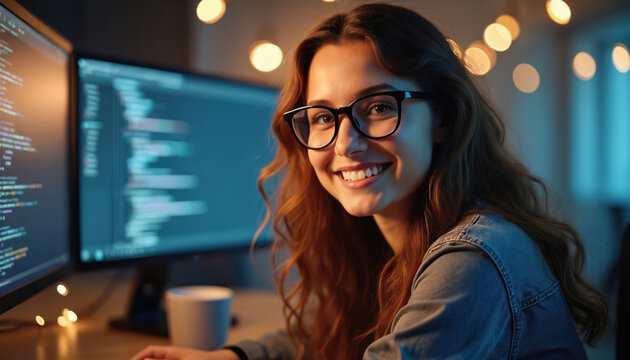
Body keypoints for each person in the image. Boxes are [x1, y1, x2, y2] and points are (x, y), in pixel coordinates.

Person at [132, 3, 608, 360]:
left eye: (378, 107)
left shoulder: (473, 259)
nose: (344, 144)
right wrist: (233, 357)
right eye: (322, 116)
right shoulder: (387, 239)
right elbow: (322, 331)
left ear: (442, 115)